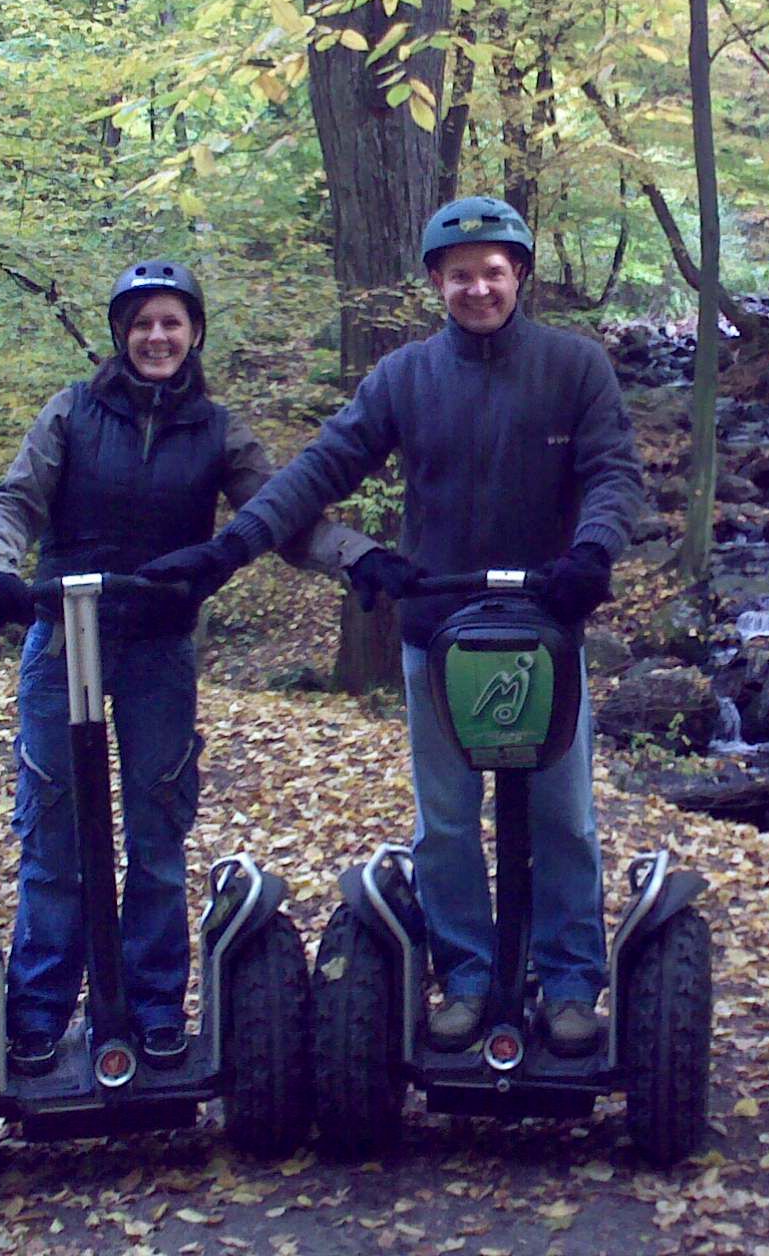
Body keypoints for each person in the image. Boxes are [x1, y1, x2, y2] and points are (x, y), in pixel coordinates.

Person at [139, 197, 643, 1057]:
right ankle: (471, 976)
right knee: (445, 819)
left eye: (492, 270)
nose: (477, 287)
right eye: (459, 274)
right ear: (435, 284)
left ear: (518, 273)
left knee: (563, 817)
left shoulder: (575, 367)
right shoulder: (404, 378)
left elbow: (613, 473)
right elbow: (320, 470)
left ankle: (567, 982)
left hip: (544, 630)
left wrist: (592, 555)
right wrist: (231, 550)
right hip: (440, 630)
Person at [0, 259, 375, 1078]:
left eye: (172, 323)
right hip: (63, 636)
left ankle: (155, 1011)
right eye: (143, 323)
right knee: (54, 833)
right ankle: (40, 1015)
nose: (158, 337)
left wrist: (362, 559)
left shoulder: (217, 429)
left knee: (156, 835)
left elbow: (284, 516)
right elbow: (16, 501)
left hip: (157, 645)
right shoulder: (72, 412)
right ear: (121, 335)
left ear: (193, 335)